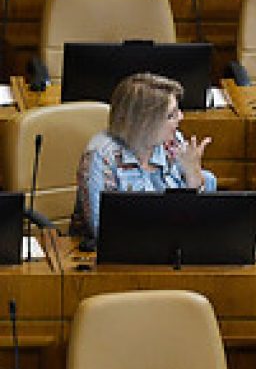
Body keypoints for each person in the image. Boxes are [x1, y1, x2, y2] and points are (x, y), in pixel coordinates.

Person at [71, 73, 215, 247]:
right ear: (143, 122)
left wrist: (193, 174)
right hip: (120, 254)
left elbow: (198, 221)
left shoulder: (172, 142)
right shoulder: (101, 156)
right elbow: (103, 229)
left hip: (168, 247)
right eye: (171, 115)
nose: (181, 117)